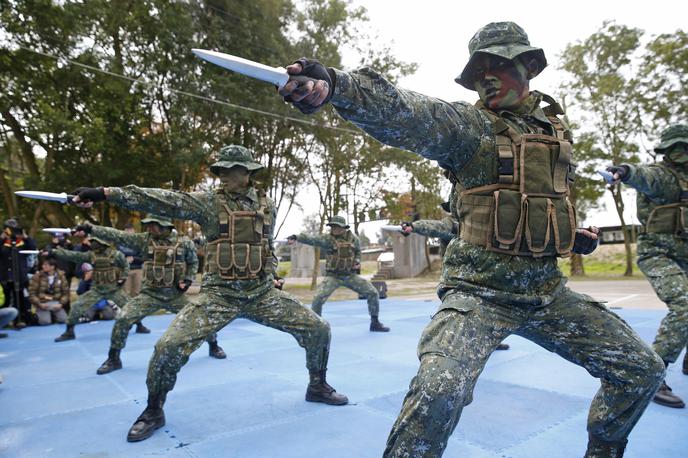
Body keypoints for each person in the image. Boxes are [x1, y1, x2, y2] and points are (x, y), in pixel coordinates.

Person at [278, 21, 665, 457]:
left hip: (547, 292)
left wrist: (570, 235)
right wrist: (338, 86)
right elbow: (405, 112)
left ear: (529, 66)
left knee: (641, 370)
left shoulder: (555, 134)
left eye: (498, 64)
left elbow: (538, 204)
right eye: (479, 69)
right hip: (478, 295)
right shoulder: (470, 128)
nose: (486, 77)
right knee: (439, 389)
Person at [69, 144, 348, 442]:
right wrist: (106, 193)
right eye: (220, 170)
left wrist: (272, 275)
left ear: (248, 173)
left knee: (318, 328)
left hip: (262, 294)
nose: (223, 175)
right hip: (218, 297)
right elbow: (162, 200)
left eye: (230, 170)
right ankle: (154, 409)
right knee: (168, 346)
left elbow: (264, 247)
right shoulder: (208, 204)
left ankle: (317, 385)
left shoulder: (267, 205)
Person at [72, 216, 227, 375]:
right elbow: (118, 235)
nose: (150, 228)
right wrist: (91, 229)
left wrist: (187, 280)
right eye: (148, 225)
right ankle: (114, 358)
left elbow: (193, 263)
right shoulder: (144, 240)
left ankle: (213, 345)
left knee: (200, 318)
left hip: (175, 295)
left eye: (154, 225)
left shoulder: (184, 242)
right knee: (123, 318)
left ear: (166, 226)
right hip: (149, 294)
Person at [607, 123, 688, 409]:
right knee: (685, 305)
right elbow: (642, 175)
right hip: (659, 252)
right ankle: (653, 375)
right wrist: (624, 172)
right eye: (674, 148)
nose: (680, 153)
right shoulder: (663, 178)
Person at [288, 216, 390, 332]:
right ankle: (315, 326)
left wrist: (357, 262)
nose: (334, 229)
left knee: (372, 292)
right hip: (333, 276)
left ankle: (375, 322)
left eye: (336, 226)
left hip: (349, 275)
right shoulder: (328, 239)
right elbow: (313, 239)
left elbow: (357, 252)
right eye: (332, 226)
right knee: (318, 298)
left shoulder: (353, 239)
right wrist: (297, 237)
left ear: (343, 228)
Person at [50, 236, 131, 342]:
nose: (92, 244)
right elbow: (73, 255)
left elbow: (125, 266)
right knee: (76, 306)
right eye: (92, 241)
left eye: (95, 242)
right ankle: (69, 332)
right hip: (96, 290)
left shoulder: (116, 255)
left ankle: (139, 325)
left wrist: (123, 278)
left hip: (113, 289)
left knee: (131, 306)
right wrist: (54, 251)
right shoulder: (91, 255)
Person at [1, 218, 37, 326]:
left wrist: (25, 236)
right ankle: (5, 321)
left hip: (20, 275)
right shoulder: (3, 242)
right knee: (6, 299)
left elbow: (33, 248)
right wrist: (2, 237)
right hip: (5, 276)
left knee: (21, 298)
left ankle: (20, 319)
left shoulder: (21, 242)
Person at [28, 258, 69, 325]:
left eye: (46, 265)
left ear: (52, 267)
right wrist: (39, 304)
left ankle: (53, 315)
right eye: (43, 265)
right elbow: (32, 293)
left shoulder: (61, 276)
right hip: (42, 302)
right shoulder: (37, 276)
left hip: (56, 302)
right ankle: (42, 315)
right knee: (45, 322)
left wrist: (61, 304)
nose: (43, 266)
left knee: (64, 320)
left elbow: (66, 293)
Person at [119, 223, 144, 297]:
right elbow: (116, 257)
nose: (129, 232)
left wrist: (134, 258)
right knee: (126, 293)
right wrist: (124, 259)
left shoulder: (140, 243)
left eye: (130, 230)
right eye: (127, 230)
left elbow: (144, 258)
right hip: (125, 270)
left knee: (137, 292)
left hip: (138, 269)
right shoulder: (120, 243)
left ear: (134, 231)